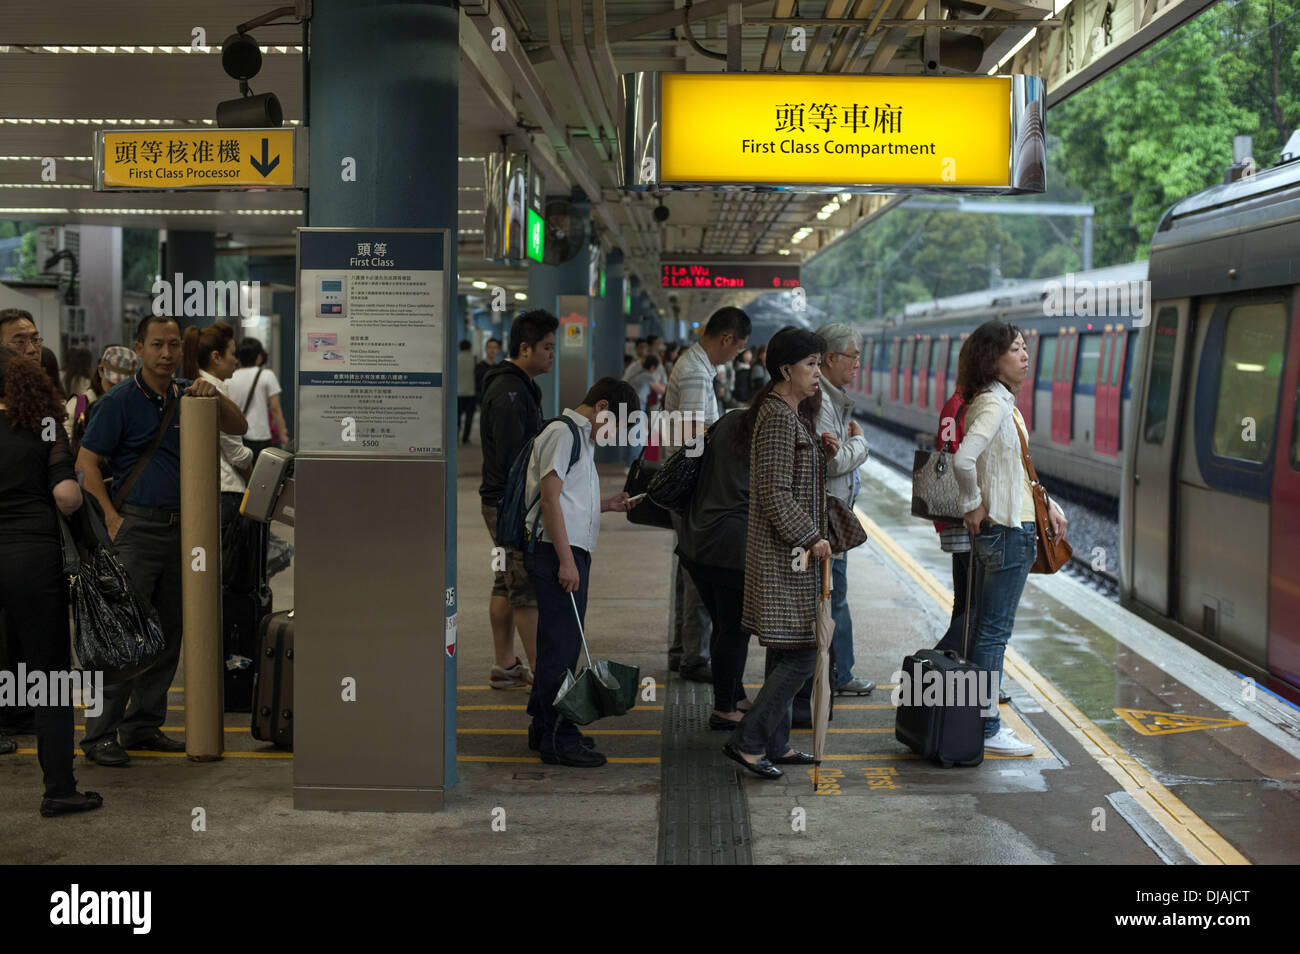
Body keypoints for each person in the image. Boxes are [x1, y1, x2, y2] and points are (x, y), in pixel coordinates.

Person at [76, 315, 249, 766]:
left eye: (174, 345)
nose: (167, 353)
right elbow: (86, 463)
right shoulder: (118, 402)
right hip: (136, 528)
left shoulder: (187, 393)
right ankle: (98, 736)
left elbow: (240, 425)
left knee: (170, 631)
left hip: (187, 531)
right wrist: (111, 520)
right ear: (139, 348)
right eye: (157, 345)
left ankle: (143, 725)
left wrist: (212, 392)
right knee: (124, 633)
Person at [954, 320, 1067, 758]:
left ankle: (980, 721)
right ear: (992, 358)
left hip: (1007, 529)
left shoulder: (998, 402)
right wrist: (972, 504)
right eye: (1016, 349)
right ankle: (987, 726)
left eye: (1025, 348)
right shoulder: (994, 406)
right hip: (1007, 532)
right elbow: (964, 461)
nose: (1025, 355)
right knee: (993, 635)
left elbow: (1015, 469)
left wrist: (1049, 504)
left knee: (986, 631)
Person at [0, 348, 104, 815]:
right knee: (49, 679)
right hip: (32, 562)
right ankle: (59, 789)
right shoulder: (44, 427)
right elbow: (66, 497)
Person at [723, 328, 831, 779]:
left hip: (791, 557)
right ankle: (748, 741)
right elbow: (771, 491)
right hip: (783, 557)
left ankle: (776, 742)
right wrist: (811, 536)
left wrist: (820, 453)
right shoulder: (779, 417)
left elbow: (789, 476)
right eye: (811, 365)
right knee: (805, 650)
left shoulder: (790, 415)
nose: (818, 374)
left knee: (785, 650)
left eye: (819, 364)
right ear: (786, 370)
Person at [523, 377, 637, 766]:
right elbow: (550, 501)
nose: (616, 436)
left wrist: (606, 505)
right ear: (603, 407)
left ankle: (544, 728)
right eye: (617, 425)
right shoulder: (563, 434)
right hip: (557, 552)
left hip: (568, 550)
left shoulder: (580, 439)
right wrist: (567, 561)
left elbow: (568, 499)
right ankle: (560, 739)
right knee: (562, 648)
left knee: (557, 643)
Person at [663, 306, 751, 682]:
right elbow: (694, 437)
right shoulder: (698, 374)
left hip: (686, 487)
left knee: (689, 565)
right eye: (738, 347)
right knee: (701, 571)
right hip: (695, 488)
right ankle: (695, 656)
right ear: (727, 338)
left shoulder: (692, 365)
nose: (736, 355)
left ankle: (684, 649)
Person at [478, 310, 558, 689]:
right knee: (525, 588)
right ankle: (546, 676)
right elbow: (515, 458)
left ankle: (505, 665)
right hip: (509, 505)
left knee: (505, 581)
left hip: (500, 503)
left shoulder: (519, 385)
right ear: (524, 348)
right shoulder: (509, 393)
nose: (551, 355)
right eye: (546, 347)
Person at [678, 408, 754, 730]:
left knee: (724, 626)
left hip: (695, 538)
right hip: (727, 544)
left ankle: (734, 696)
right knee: (734, 629)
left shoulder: (730, 420)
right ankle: (725, 709)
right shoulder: (768, 433)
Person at [814, 322, 874, 697]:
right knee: (833, 598)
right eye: (853, 357)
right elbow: (832, 463)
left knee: (835, 596)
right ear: (831, 358)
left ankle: (837, 672)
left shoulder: (833, 398)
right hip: (826, 521)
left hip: (833, 519)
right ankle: (838, 675)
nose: (857, 364)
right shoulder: (821, 401)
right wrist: (860, 445)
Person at [181, 321, 254, 528]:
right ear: (216, 357)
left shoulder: (194, 386)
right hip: (225, 490)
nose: (236, 360)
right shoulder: (211, 392)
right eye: (232, 353)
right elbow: (236, 454)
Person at [227, 337, 290, 457]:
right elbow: (275, 408)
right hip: (261, 436)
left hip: (239, 437)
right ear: (259, 357)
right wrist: (282, 433)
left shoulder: (230, 378)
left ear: (238, 357)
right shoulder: (267, 375)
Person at [65, 345, 140, 445]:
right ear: (101, 371)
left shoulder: (137, 409)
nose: (116, 390)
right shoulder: (79, 404)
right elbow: (65, 445)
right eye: (112, 383)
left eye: (122, 386)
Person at [456, 339, 477, 445]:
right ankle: (465, 438)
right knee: (469, 417)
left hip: (458, 393)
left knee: (457, 416)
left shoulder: (456, 359)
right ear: (470, 347)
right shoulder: (474, 360)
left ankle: (456, 435)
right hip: (471, 393)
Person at [474, 337, 502, 402]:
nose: (492, 350)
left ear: (498, 350)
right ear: (486, 349)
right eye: (490, 347)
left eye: (495, 347)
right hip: (483, 401)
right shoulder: (480, 366)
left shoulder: (498, 368)